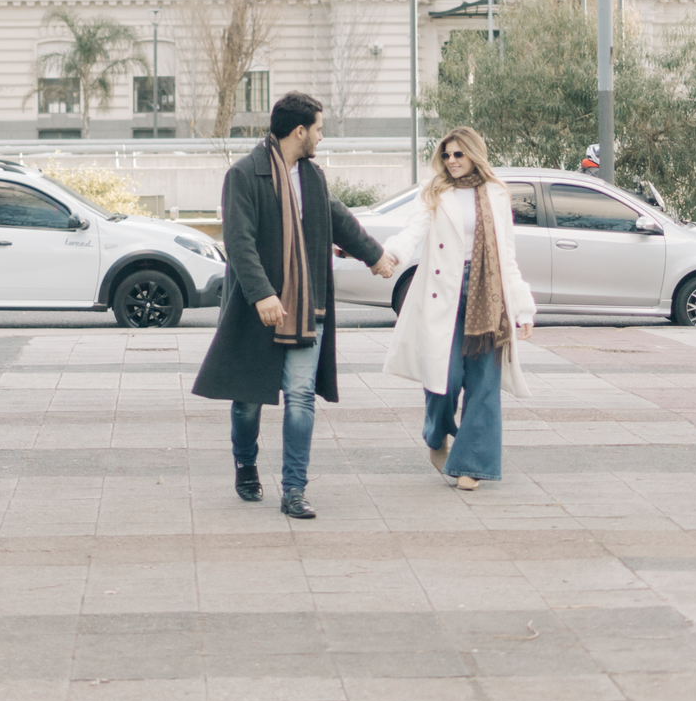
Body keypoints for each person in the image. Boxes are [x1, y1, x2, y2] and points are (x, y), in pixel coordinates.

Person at [192, 90, 396, 518]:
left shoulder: (313, 177)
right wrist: (263, 293)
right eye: (318, 129)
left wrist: (375, 255)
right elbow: (240, 243)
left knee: (300, 396)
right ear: (299, 131)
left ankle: (294, 489)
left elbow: (340, 220)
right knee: (248, 400)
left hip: (308, 308)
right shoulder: (245, 175)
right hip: (258, 311)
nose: (321, 137)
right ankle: (245, 463)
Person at [380, 127, 534, 491]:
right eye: (447, 155)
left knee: (484, 384)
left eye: (458, 155)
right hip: (443, 292)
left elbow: (506, 256)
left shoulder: (496, 194)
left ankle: (472, 464)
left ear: (474, 155)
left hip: (488, 293)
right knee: (444, 379)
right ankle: (437, 434)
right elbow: (412, 233)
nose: (451, 161)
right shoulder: (435, 191)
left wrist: (523, 308)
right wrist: (391, 255)